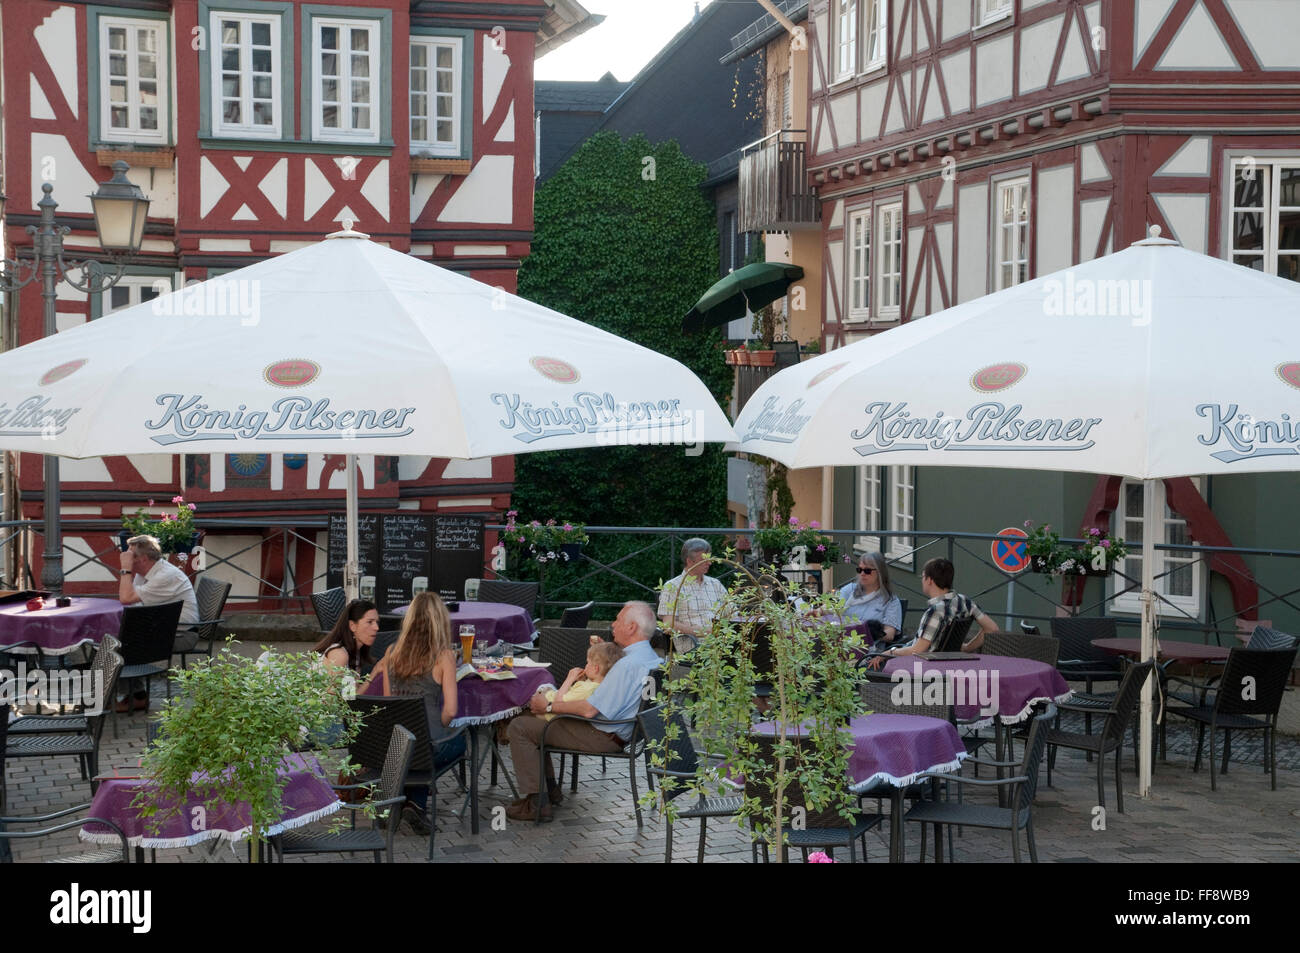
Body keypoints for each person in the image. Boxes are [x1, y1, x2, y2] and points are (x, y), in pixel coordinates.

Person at [506, 600, 662, 822]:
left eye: (618, 619)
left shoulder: (626, 665)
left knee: (520, 726)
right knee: (531, 720)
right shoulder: (651, 658)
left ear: (631, 628)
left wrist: (548, 705)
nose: (613, 623)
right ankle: (549, 791)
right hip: (628, 733)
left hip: (603, 734)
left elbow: (589, 710)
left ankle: (537, 803)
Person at [369, 591, 467, 834]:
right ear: (440, 621)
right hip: (426, 747)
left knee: (412, 748)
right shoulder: (444, 656)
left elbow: (389, 703)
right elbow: (451, 710)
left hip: (396, 746)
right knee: (458, 740)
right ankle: (415, 804)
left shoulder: (392, 652)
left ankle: (396, 802)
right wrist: (441, 727)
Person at [115, 534, 199, 712]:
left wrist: (125, 569)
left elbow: (125, 598)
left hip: (182, 635)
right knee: (116, 640)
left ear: (142, 559)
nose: (126, 558)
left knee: (120, 645)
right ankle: (135, 696)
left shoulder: (164, 576)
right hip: (161, 630)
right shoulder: (145, 573)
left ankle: (136, 698)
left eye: (130, 555)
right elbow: (132, 605)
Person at [867, 558, 998, 669]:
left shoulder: (935, 612)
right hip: (946, 666)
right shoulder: (965, 601)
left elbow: (917, 650)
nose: (922, 580)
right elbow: (992, 628)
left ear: (929, 580)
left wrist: (889, 652)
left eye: (923, 577)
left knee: (864, 666)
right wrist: (967, 647)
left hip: (920, 669)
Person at [657, 538, 726, 641]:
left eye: (710, 559)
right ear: (689, 561)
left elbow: (732, 613)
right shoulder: (672, 586)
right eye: (704, 560)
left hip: (722, 643)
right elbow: (668, 624)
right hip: (692, 644)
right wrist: (702, 632)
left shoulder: (716, 584)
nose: (709, 563)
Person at [540, 642, 623, 721]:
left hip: (548, 713)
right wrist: (582, 680)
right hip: (550, 702)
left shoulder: (587, 689)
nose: (585, 666)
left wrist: (569, 679)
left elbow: (558, 703)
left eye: (588, 663)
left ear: (596, 669)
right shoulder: (597, 684)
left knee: (539, 681)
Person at [835, 551, 903, 642]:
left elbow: (890, 634)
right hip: (840, 641)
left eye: (867, 571)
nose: (862, 574)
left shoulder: (891, 601)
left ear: (880, 572)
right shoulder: (849, 590)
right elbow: (832, 610)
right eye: (859, 570)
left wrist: (870, 633)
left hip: (868, 647)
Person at [314, 599, 380, 677]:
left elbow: (356, 689)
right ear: (353, 626)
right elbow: (331, 689)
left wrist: (376, 671)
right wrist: (375, 671)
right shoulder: (339, 655)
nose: (376, 628)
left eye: (377, 622)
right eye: (370, 622)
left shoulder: (356, 653)